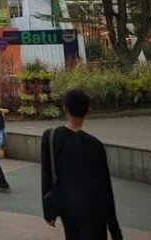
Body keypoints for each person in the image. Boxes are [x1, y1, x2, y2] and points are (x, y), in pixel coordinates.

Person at [42, 89, 122, 240]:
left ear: (65, 108)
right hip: (93, 209)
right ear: (87, 111)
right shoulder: (95, 145)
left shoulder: (51, 137)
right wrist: (114, 229)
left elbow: (46, 174)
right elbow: (105, 188)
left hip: (67, 207)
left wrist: (48, 211)